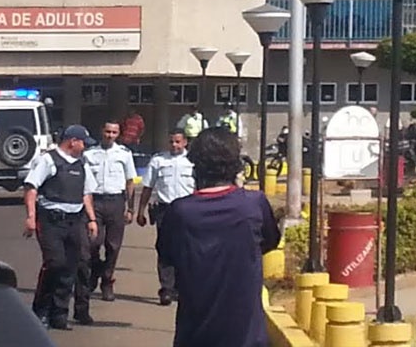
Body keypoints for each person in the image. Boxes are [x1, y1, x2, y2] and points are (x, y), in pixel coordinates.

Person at [157, 127, 281, 347]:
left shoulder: (180, 212)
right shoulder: (254, 204)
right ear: (236, 165)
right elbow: (270, 241)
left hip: (195, 334)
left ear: (195, 166)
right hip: (246, 335)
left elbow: (167, 255)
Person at [23, 124, 100, 330]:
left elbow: (86, 193)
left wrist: (92, 219)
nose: (85, 147)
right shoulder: (49, 160)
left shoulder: (81, 163)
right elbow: (31, 188)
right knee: (55, 264)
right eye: (83, 143)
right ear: (72, 141)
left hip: (75, 220)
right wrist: (31, 217)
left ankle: (59, 315)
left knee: (70, 267)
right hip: (51, 221)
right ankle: (40, 311)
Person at [135, 128, 195, 306]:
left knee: (187, 250)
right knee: (165, 249)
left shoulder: (193, 162)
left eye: (177, 141)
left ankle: (182, 287)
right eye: (171, 142)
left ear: (185, 142)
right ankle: (167, 289)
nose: (174, 145)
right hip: (165, 210)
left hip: (188, 210)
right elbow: (148, 187)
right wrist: (141, 211)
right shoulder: (159, 160)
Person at [80, 120, 137, 302]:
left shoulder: (124, 154)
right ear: (101, 131)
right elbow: (83, 181)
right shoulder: (89, 154)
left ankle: (107, 280)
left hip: (116, 202)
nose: (110, 135)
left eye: (114, 132)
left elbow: (130, 182)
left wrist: (130, 208)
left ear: (118, 134)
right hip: (95, 201)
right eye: (107, 132)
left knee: (113, 246)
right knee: (93, 243)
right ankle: (96, 270)